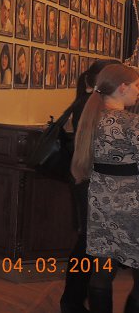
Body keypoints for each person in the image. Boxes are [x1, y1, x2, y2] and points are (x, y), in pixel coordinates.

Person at [69, 63, 139, 313]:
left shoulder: (92, 118)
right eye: (136, 85)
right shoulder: (132, 123)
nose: (138, 91)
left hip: (100, 201)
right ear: (123, 87)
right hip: (132, 206)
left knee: (101, 272)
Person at [59, 60, 119, 313]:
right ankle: (72, 301)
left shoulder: (86, 101)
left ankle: (72, 300)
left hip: (85, 179)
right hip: (88, 181)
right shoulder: (92, 105)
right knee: (86, 245)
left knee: (86, 243)